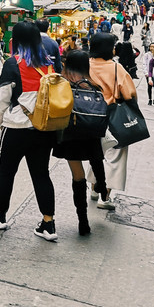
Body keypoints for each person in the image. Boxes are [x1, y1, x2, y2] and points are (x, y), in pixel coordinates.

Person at [0, 21, 58, 239]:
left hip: (16, 127)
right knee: (41, 174)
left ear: (15, 41)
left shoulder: (13, 63)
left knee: (6, 171)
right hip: (43, 128)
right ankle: (48, 224)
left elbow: (3, 97)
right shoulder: (50, 65)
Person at [53, 50, 109, 236]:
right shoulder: (94, 86)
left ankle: (83, 220)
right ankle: (101, 186)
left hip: (71, 135)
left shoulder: (63, 84)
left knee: (78, 176)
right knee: (96, 159)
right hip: (92, 135)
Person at [87, 33, 135, 210]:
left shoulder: (85, 65)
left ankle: (93, 188)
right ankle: (104, 196)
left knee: (96, 154)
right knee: (114, 157)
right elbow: (129, 94)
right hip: (111, 117)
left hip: (88, 117)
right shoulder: (116, 68)